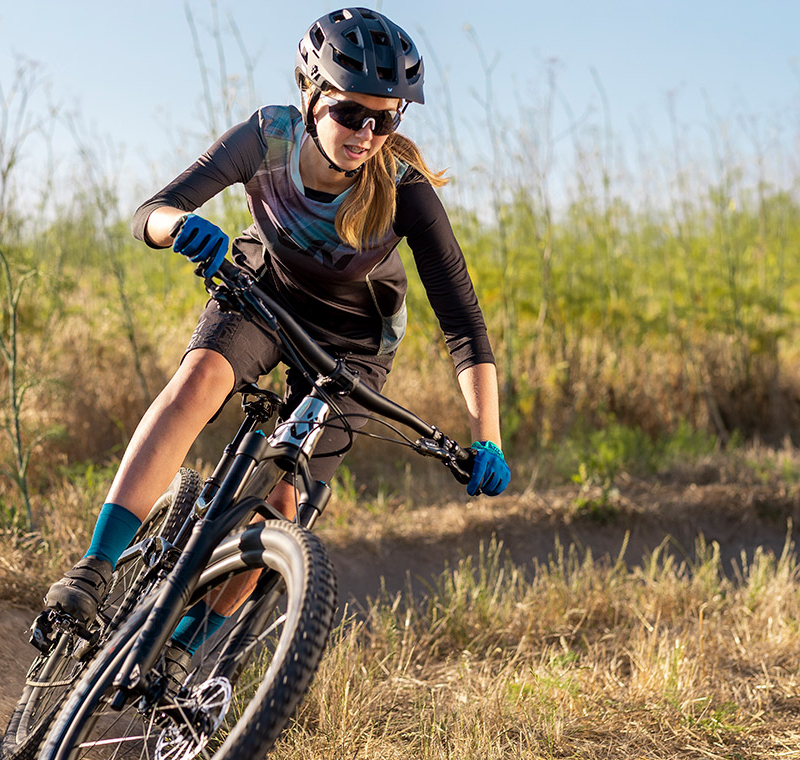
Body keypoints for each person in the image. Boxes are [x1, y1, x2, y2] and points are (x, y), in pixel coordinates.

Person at [44, 7, 510, 660]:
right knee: (200, 380)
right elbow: (152, 212)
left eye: (386, 117)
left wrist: (486, 433)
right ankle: (93, 572)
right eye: (351, 113)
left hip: (353, 346)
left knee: (283, 501)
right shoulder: (268, 139)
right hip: (264, 293)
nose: (367, 132)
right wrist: (179, 229)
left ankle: (176, 657)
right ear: (313, 96)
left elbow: (464, 325)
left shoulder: (406, 193)